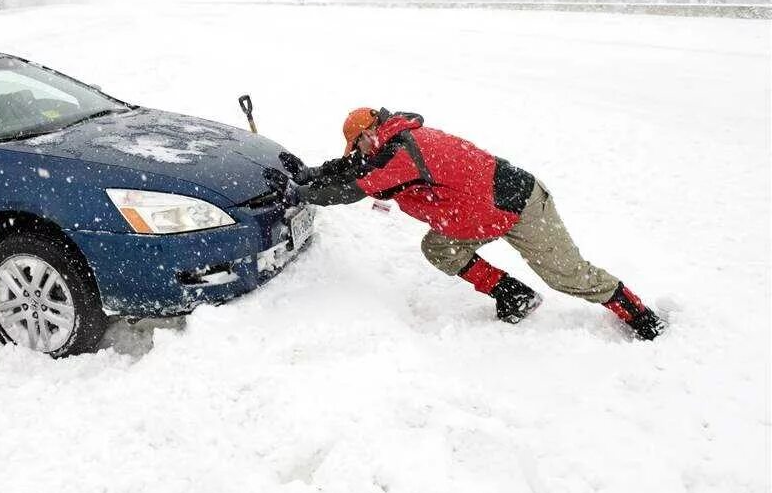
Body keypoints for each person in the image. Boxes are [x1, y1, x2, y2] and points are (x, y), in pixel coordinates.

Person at [280, 107, 666, 340]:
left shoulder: (404, 150)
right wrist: (309, 173)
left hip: (518, 205)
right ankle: (514, 296)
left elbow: (353, 188)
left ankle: (642, 318)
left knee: (569, 276)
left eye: (358, 145)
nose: (358, 153)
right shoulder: (390, 143)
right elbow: (351, 168)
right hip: (477, 215)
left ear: (368, 134)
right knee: (439, 248)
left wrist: (301, 195)